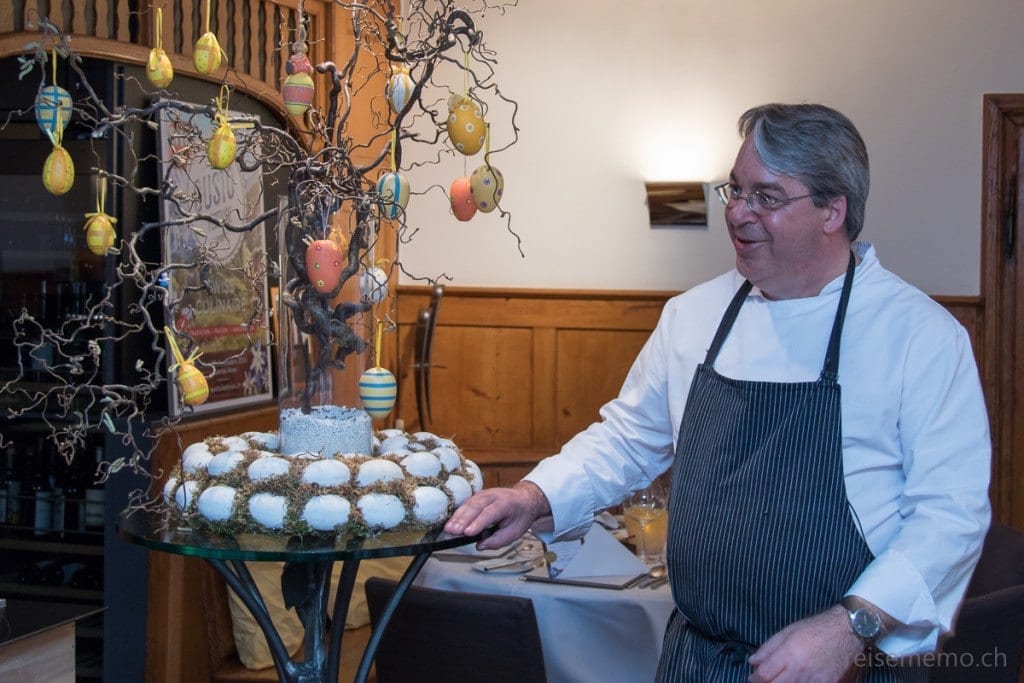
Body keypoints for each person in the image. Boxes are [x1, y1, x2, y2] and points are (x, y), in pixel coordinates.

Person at [445, 103, 992, 682]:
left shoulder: (920, 336)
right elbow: (629, 439)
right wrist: (535, 495)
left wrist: (848, 626)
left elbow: (950, 514)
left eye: (767, 197)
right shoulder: (694, 315)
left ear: (834, 210)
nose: (738, 213)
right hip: (699, 659)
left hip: (846, 663)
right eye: (735, 190)